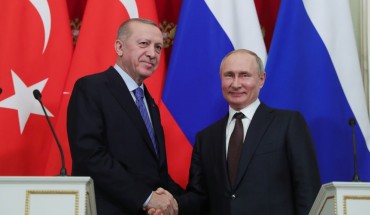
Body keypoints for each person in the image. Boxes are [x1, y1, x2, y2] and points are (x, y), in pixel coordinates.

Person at [176, 49, 321, 215]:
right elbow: (199, 197)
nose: (236, 84)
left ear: (261, 79)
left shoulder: (288, 124)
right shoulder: (206, 138)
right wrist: (172, 204)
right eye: (229, 75)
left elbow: (307, 191)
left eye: (245, 75)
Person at [67, 18, 182, 215]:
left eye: (158, 47)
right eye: (144, 44)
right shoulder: (91, 88)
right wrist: (146, 198)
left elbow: (154, 171)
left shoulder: (149, 103)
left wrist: (179, 202)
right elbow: (90, 157)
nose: (152, 54)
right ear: (119, 47)